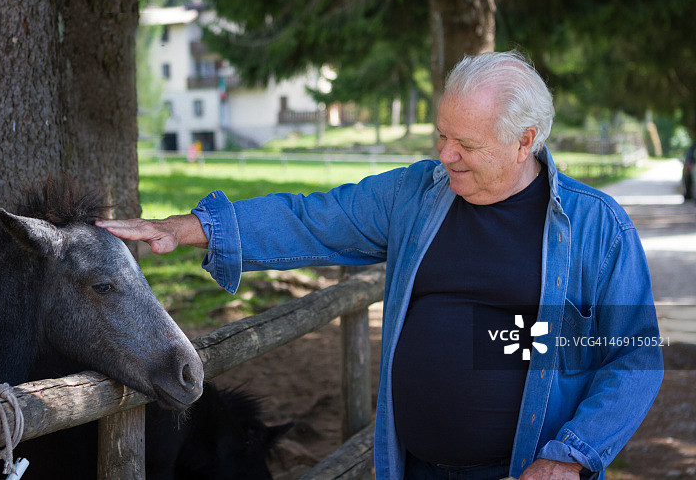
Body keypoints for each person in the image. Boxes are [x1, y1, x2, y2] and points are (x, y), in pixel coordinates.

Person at [98, 51, 663, 480]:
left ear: (525, 142)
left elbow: (633, 358)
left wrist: (570, 457)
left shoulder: (595, 227)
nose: (445, 156)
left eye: (465, 143)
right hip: (410, 464)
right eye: (441, 135)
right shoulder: (418, 193)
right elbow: (313, 218)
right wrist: (190, 229)